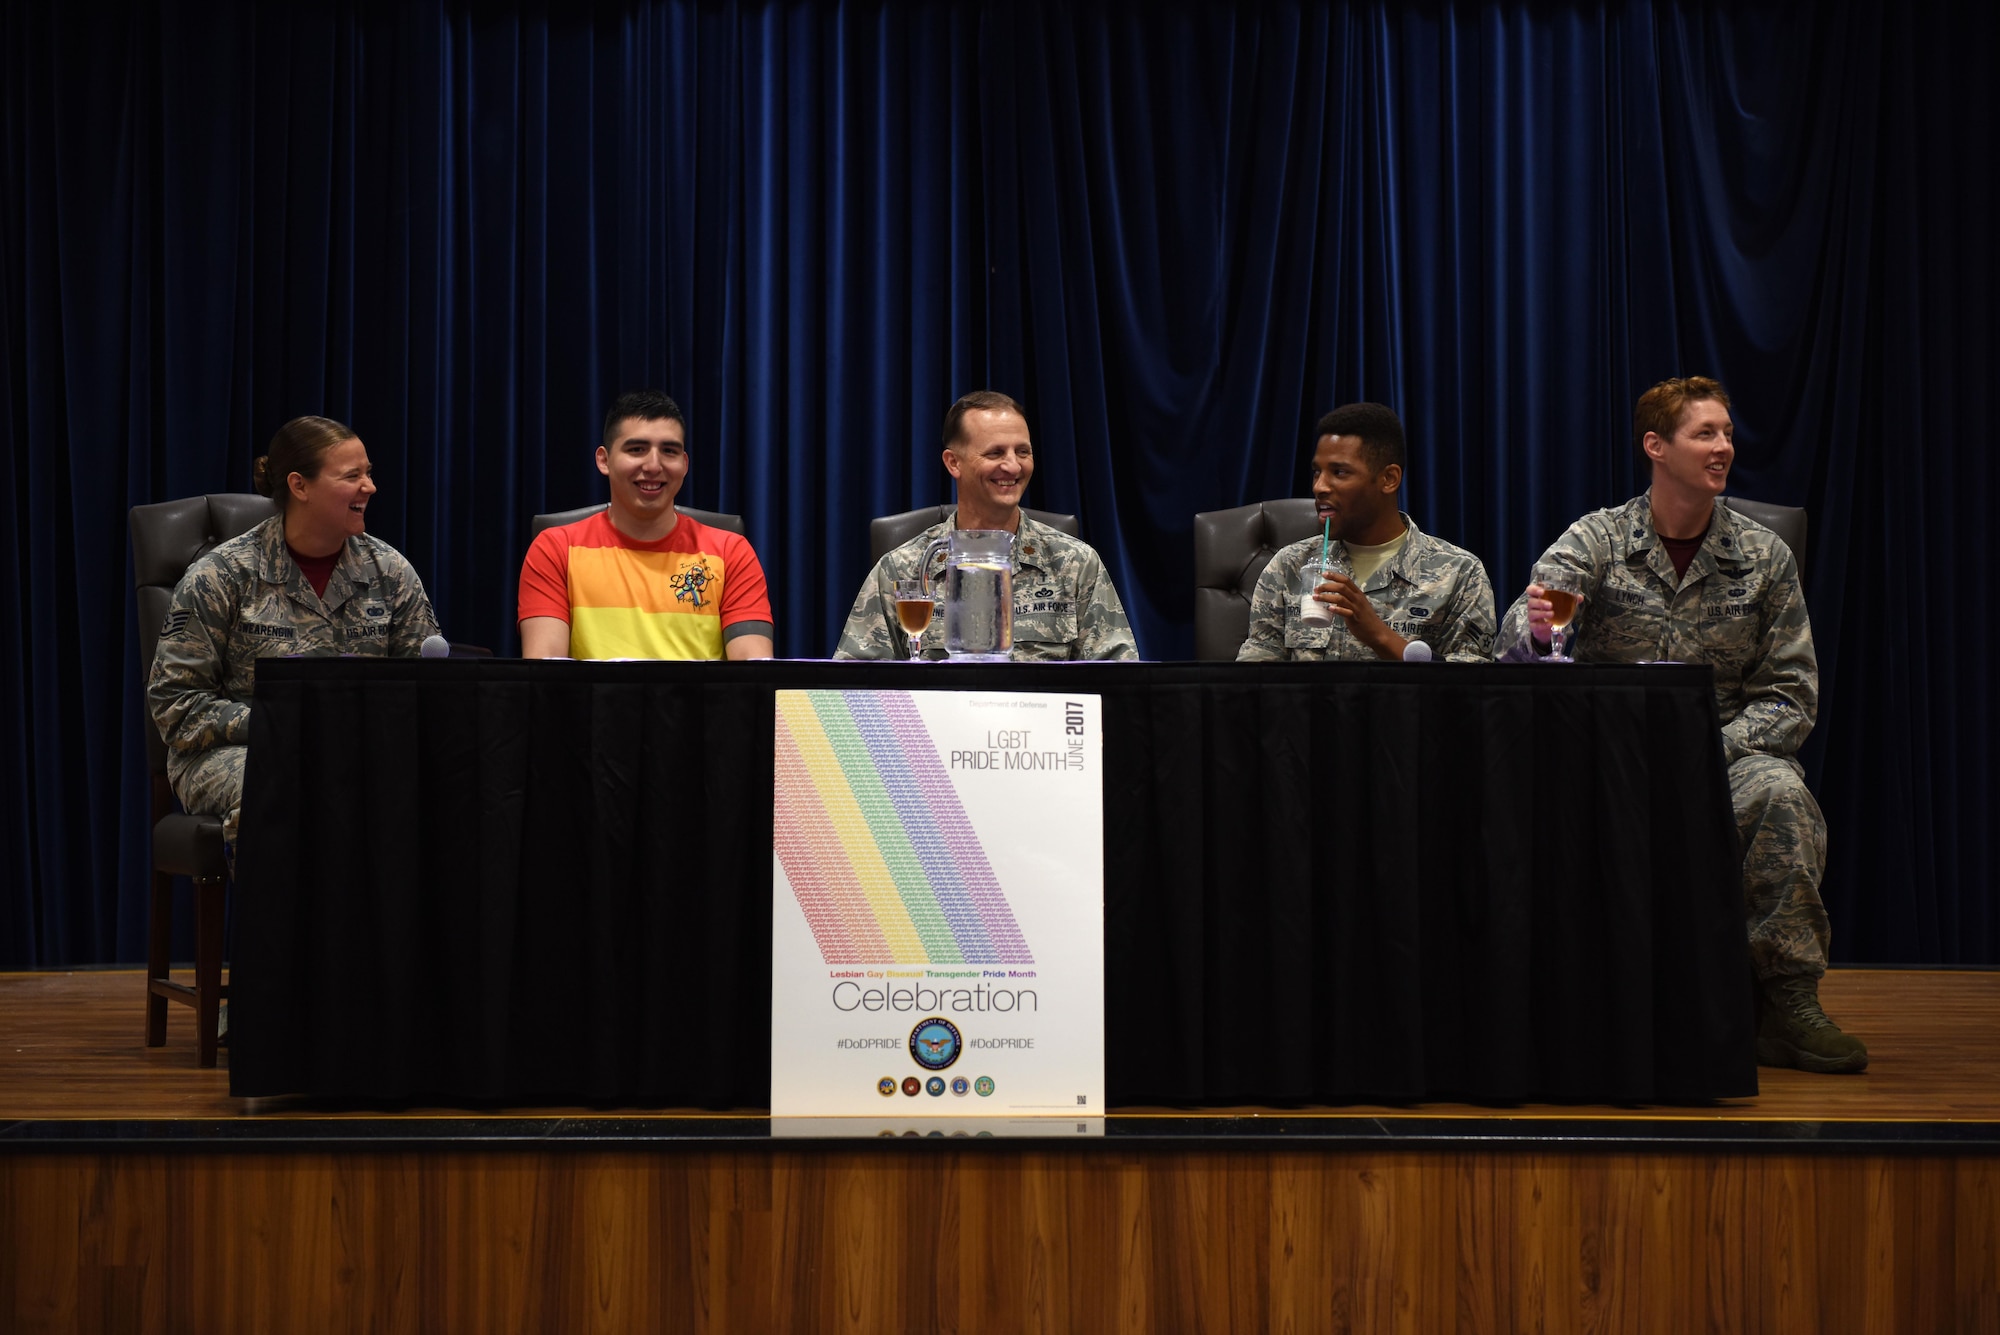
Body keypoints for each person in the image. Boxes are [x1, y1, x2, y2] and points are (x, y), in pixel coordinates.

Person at [1496, 375, 1864, 1074]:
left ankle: (1789, 1000)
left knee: (1782, 796)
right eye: (1707, 433)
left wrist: (1704, 752)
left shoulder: (1764, 557)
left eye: (1727, 432)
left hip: (1726, 753)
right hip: (1608, 752)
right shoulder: (1598, 538)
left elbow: (1790, 693)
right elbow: (1530, 634)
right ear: (1656, 447)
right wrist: (1540, 631)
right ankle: (1540, 1006)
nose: (1724, 446)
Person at [148, 415, 440, 851]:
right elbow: (176, 704)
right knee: (285, 784)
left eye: (369, 473)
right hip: (235, 754)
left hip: (357, 749)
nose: (370, 487)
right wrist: (282, 724)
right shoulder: (224, 574)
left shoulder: (390, 572)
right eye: (352, 476)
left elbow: (424, 690)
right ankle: (283, 920)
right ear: (299, 486)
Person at [833, 390, 1138, 660]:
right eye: (995, 452)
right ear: (954, 463)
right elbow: (857, 687)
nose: (1013, 466)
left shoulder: (1076, 564)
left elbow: (1119, 684)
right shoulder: (903, 569)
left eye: (1023, 451)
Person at [518, 391, 774, 660]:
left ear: (684, 464)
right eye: (636, 449)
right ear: (604, 460)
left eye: (669, 451)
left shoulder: (731, 552)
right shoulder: (555, 549)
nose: (653, 465)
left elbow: (753, 674)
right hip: (592, 703)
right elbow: (545, 677)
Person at [1238, 403, 1495, 662]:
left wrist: (1378, 636)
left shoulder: (1460, 574)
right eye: (1317, 472)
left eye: (1339, 472)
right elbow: (1253, 681)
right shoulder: (1290, 566)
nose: (1319, 486)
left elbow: (1470, 692)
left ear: (1389, 479)